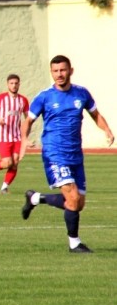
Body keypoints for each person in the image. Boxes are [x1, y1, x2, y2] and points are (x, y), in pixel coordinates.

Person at [20, 55, 114, 253]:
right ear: (51, 72)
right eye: (55, 71)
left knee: (78, 203)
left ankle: (35, 198)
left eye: (63, 70)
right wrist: (24, 139)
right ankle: (74, 244)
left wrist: (106, 130)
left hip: (75, 155)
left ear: (71, 70)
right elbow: (28, 121)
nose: (59, 74)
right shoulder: (44, 97)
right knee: (71, 198)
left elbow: (95, 115)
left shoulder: (81, 94)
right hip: (54, 153)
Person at [0, 74, 29, 194]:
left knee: (15, 162)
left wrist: (26, 136)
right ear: (7, 84)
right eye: (11, 83)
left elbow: (27, 118)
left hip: (17, 136)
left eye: (16, 83)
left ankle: (4, 187)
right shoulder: (0, 98)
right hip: (3, 136)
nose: (14, 86)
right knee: (7, 163)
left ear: (19, 84)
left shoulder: (23, 100)